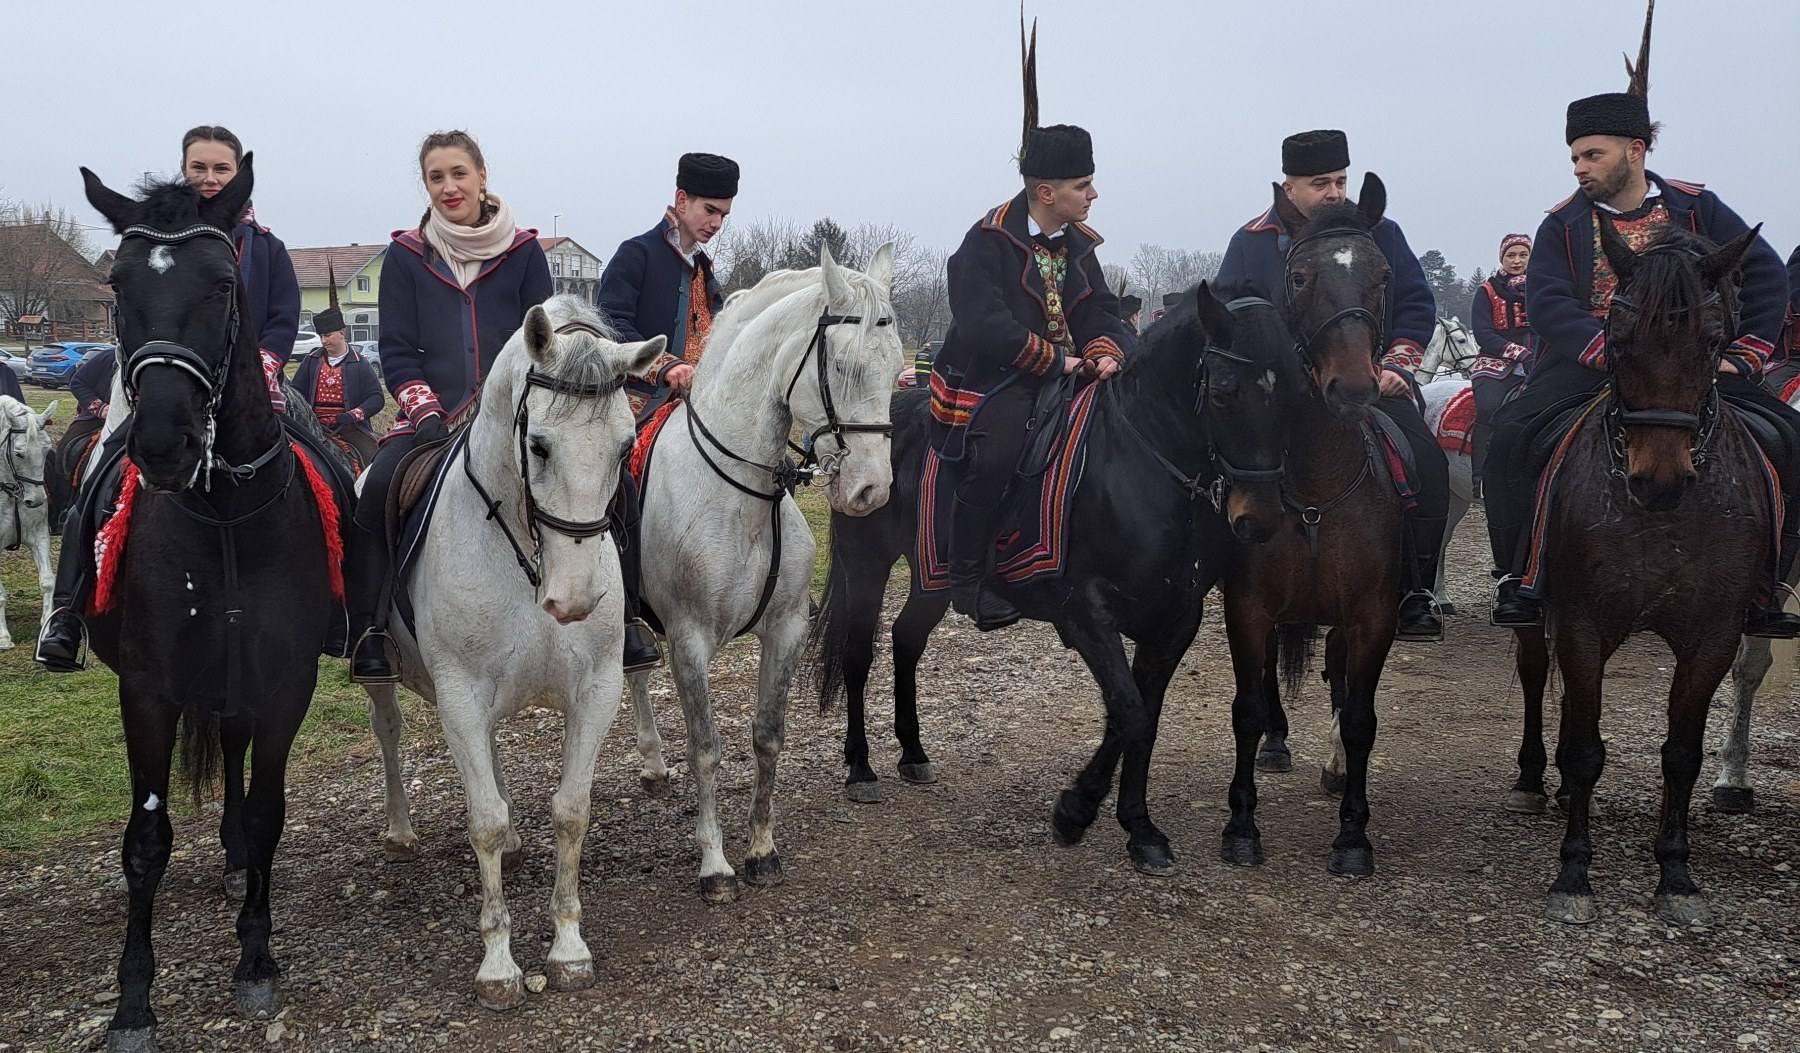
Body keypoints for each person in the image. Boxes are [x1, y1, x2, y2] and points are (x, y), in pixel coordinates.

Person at [1483, 13, 1800, 638]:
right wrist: (1604, 350)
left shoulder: (1698, 206)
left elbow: (1764, 274)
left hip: (1692, 365)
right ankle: (1518, 577)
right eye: (1574, 156)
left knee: (1792, 439)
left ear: (1635, 150)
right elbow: (1548, 301)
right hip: (1589, 364)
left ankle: (1768, 586)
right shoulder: (1561, 223)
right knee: (1511, 438)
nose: (1579, 167)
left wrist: (1747, 354)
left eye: (1591, 154)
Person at [36, 124, 302, 671]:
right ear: (184, 170)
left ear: (237, 176)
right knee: (98, 474)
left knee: (327, 468)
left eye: (221, 168)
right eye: (199, 167)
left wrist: (261, 370)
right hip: (162, 378)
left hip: (252, 382)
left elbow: (282, 317)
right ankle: (66, 610)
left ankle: (343, 604)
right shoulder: (151, 237)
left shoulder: (267, 246)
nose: (210, 178)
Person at [927, 23, 1136, 631]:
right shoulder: (984, 241)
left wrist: (1106, 350)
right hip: (989, 379)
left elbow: (1098, 308)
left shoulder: (1078, 244)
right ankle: (969, 580)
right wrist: (1056, 360)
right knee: (998, 454)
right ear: (1046, 191)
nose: (1094, 194)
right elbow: (982, 323)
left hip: (1071, 372)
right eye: (1082, 186)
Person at [1215, 128, 1450, 641]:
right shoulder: (1250, 242)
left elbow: (1415, 303)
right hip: (1276, 396)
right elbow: (1230, 319)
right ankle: (1210, 569)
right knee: (1216, 464)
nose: (1334, 194)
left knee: (1428, 462)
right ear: (1289, 188)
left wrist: (1399, 364)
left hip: (1368, 382)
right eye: (1320, 183)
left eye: (1341, 181)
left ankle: (1413, 587)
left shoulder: (1381, 233)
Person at [346, 130, 553, 682]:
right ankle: (370, 631)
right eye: (435, 177)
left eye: (459, 173)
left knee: (605, 480)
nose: (448, 186)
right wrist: (425, 411)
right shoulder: (405, 256)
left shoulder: (524, 252)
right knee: (376, 491)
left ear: (482, 176)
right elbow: (395, 349)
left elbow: (543, 342)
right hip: (431, 417)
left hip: (516, 413)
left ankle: (622, 617)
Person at [593, 151, 739, 670]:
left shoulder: (703, 266)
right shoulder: (635, 254)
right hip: (638, 398)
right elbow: (610, 324)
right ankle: (626, 607)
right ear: (681, 199)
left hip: (700, 401)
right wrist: (665, 366)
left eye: (723, 214)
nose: (716, 223)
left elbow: (713, 328)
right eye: (709, 210)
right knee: (617, 482)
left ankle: (772, 580)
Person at [291, 264, 383, 468]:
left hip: (350, 429)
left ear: (342, 333)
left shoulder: (360, 363)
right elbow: (296, 392)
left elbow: (376, 398)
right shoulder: (310, 361)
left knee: (373, 461)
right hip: (313, 428)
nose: (323, 341)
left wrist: (352, 415)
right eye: (321, 336)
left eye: (328, 335)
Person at [1467, 234, 1536, 488]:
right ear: (1502, 258)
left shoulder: (1543, 288)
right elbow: (1483, 333)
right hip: (1494, 361)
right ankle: (1481, 475)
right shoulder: (1486, 291)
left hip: (1538, 358)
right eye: (1511, 255)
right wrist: (1518, 353)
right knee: (1489, 406)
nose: (1517, 261)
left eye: (1523, 255)